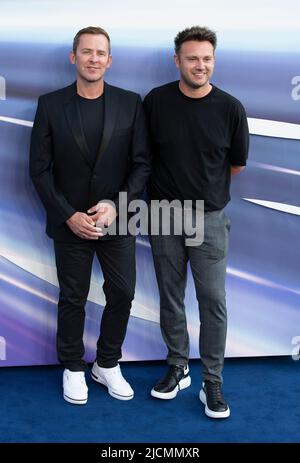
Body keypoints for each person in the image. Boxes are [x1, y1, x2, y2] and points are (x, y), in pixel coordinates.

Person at [30, 26, 150, 405]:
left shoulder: (131, 103)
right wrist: (68, 215)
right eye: (87, 52)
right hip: (71, 224)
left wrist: (117, 204)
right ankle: (73, 367)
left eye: (100, 53)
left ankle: (107, 363)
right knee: (73, 297)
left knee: (123, 293)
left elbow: (142, 164)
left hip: (118, 219)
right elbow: (39, 169)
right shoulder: (50, 105)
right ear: (74, 57)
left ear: (109, 61)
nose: (93, 58)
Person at [143, 26, 249, 418]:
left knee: (212, 301)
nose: (199, 65)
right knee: (170, 295)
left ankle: (213, 383)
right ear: (177, 61)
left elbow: (235, 164)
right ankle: (177, 366)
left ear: (213, 61)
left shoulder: (231, 108)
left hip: (209, 218)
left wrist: (201, 195)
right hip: (162, 215)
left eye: (206, 58)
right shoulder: (155, 102)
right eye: (192, 58)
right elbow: (144, 157)